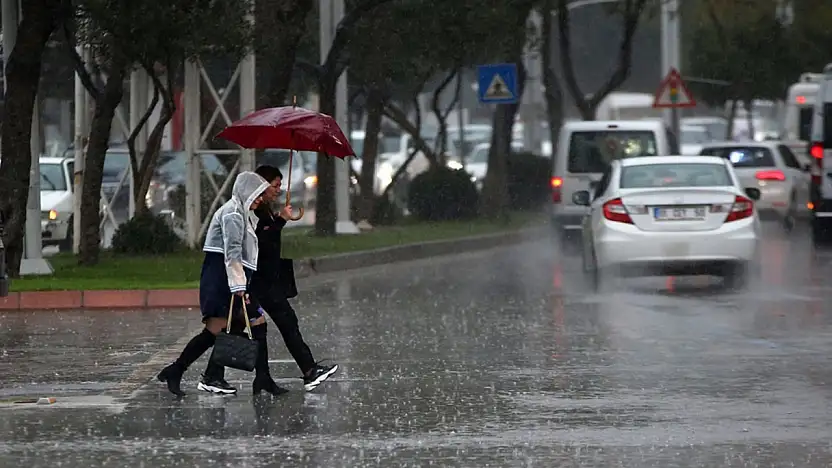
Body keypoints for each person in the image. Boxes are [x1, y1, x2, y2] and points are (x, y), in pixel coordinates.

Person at [201, 164, 338, 395]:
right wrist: (280, 221)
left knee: (256, 328)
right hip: (259, 281)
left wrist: (278, 219)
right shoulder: (250, 210)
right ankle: (305, 371)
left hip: (267, 280)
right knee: (265, 326)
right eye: (274, 185)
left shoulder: (261, 210)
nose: (278, 189)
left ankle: (263, 377)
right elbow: (257, 244)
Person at [157, 171, 272, 397]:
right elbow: (232, 254)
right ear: (246, 192)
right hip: (223, 279)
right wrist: (239, 287)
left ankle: (225, 375)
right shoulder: (233, 215)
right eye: (257, 194)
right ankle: (185, 371)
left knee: (247, 324)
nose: (260, 199)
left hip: (231, 278)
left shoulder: (243, 213)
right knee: (217, 330)